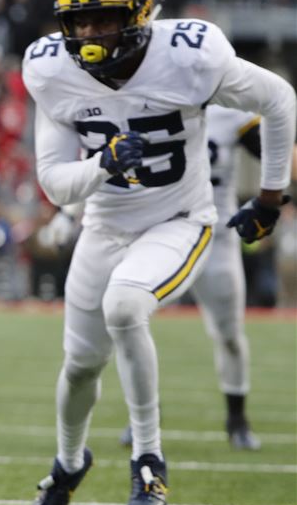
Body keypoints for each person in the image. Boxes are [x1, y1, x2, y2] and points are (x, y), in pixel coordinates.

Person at [22, 0, 294, 505]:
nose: (91, 33)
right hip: (104, 226)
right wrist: (102, 165)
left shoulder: (189, 55)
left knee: (127, 304)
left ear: (142, 14)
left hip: (180, 219)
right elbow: (54, 183)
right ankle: (68, 465)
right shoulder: (49, 68)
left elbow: (278, 99)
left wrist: (272, 196)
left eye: (106, 18)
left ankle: (148, 459)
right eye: (81, 21)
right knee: (79, 367)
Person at [118, 106, 297, 452]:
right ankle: (142, 415)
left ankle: (237, 418)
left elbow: (276, 150)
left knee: (229, 334)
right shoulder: (148, 98)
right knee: (131, 319)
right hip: (159, 234)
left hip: (216, 235)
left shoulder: (228, 110)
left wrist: (271, 196)